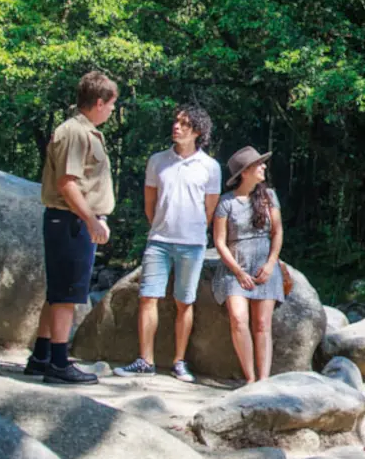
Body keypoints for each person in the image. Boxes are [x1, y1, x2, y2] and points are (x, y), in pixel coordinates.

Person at [114, 104, 222, 382]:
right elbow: (149, 203)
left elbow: (209, 209)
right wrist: (160, 226)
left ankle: (179, 362)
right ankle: (145, 360)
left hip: (192, 244)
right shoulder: (157, 161)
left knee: (185, 302)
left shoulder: (210, 167)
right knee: (147, 297)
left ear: (197, 131)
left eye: (185, 124)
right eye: (176, 121)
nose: (177, 126)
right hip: (159, 242)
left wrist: (193, 231)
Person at [31, 70, 118, 384]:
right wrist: (91, 220)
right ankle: (58, 363)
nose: (112, 110)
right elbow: (67, 183)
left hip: (72, 220)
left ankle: (41, 357)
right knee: (66, 295)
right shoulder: (75, 133)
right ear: (99, 102)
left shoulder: (86, 132)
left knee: (58, 292)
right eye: (111, 104)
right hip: (70, 221)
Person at [211, 146, 283, 383]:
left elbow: (277, 232)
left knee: (262, 324)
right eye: (258, 164)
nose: (263, 167)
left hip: (264, 265)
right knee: (239, 319)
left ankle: (263, 380)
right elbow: (219, 242)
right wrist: (238, 271)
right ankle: (250, 378)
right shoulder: (227, 202)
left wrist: (271, 264)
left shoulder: (269, 196)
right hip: (235, 268)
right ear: (244, 172)